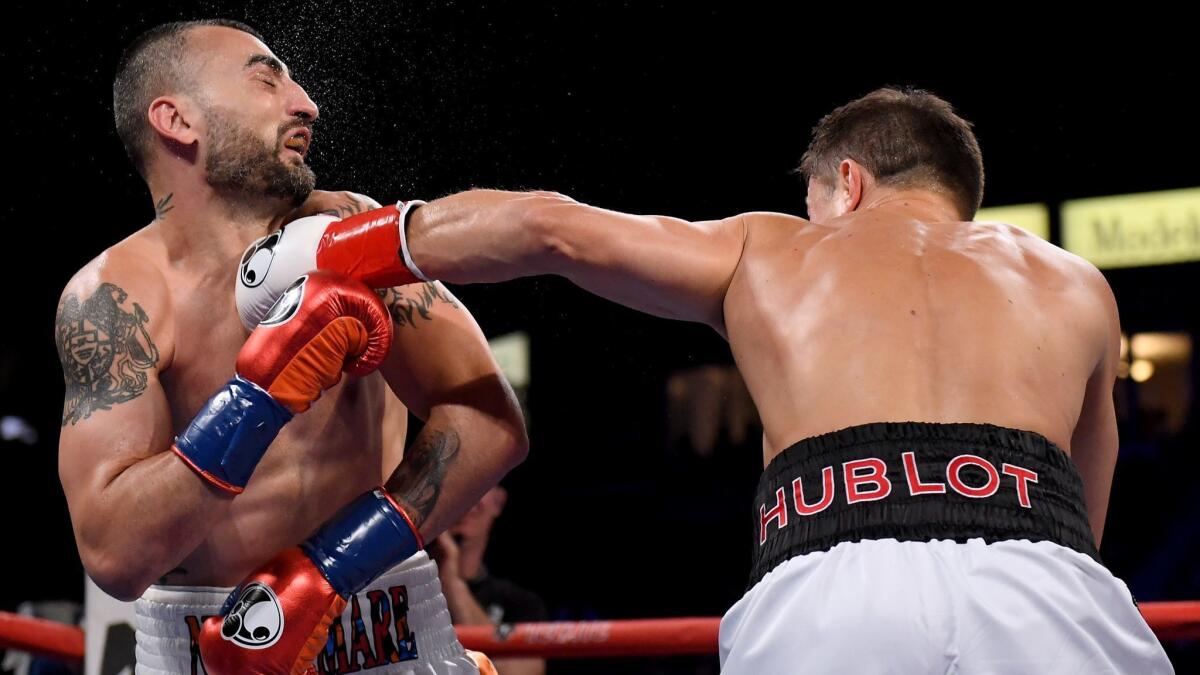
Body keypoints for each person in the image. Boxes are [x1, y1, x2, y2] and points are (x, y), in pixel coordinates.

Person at [256, 87, 1170, 672]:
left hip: (835, 602)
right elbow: (1077, 526)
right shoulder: (1073, 282)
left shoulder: (774, 247)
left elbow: (550, 227)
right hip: (1046, 592)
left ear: (845, 182)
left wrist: (330, 245)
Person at [56, 19, 524, 674]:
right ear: (175, 120)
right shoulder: (116, 299)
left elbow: (490, 420)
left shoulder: (351, 234)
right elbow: (115, 555)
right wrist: (259, 396)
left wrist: (330, 567)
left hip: (388, 628)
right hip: (203, 648)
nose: (305, 103)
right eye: (266, 80)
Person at [430, 487, 548, 675]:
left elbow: (523, 672)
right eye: (457, 484)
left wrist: (452, 583)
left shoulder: (520, 603)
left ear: (498, 501)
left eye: (481, 483)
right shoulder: (404, 590)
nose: (466, 500)